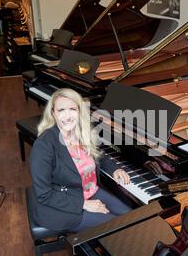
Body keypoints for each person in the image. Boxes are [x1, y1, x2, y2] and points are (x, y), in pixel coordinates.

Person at [29, 88, 133, 233]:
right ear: (53, 113)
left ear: (79, 111)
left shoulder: (83, 132)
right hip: (61, 207)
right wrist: (84, 204)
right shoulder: (44, 145)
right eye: (61, 110)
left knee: (133, 218)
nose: (67, 116)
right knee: (118, 228)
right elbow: (44, 194)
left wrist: (115, 168)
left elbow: (99, 154)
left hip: (91, 191)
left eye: (73, 109)